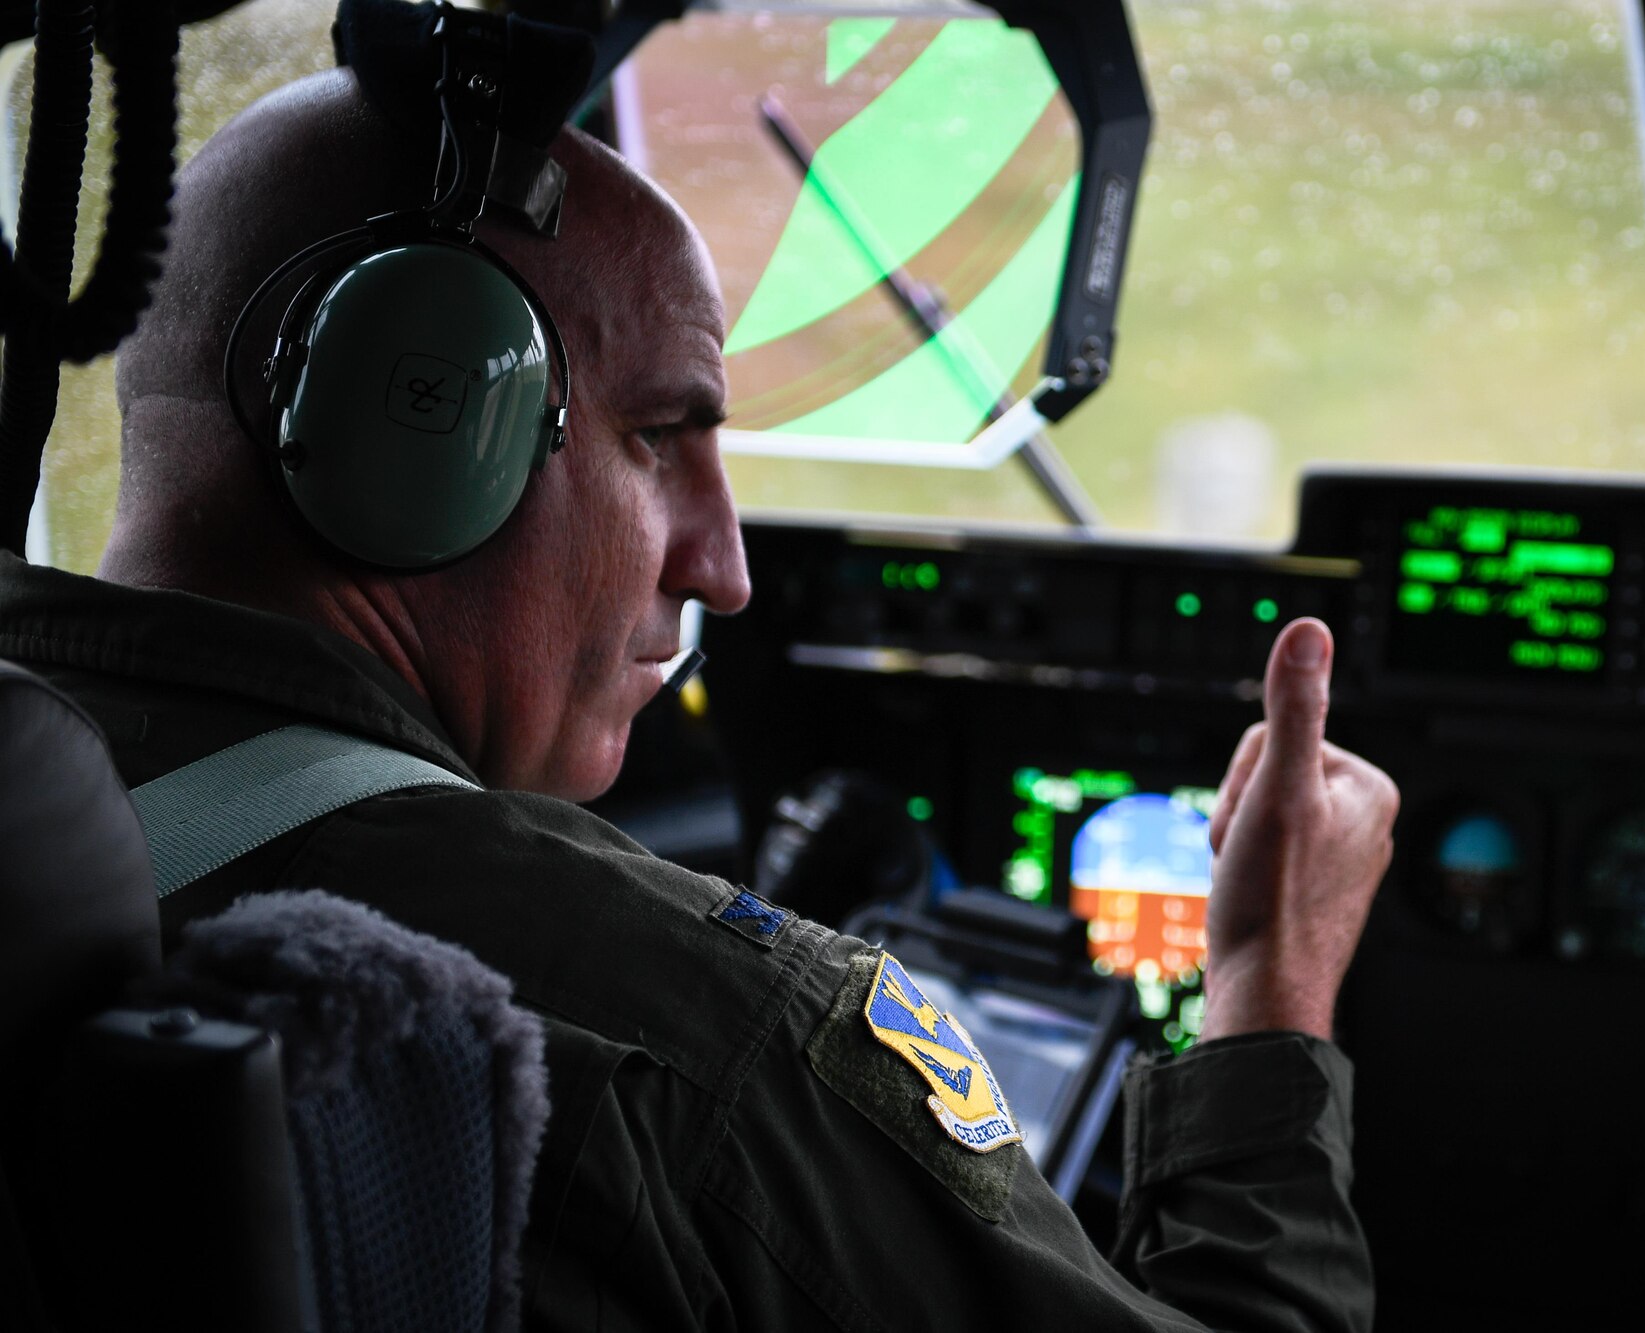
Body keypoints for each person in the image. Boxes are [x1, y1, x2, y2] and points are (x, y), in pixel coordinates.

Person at [0, 67, 1400, 1330]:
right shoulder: (700, 1040)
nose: (726, 570)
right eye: (661, 435)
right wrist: (1271, 980)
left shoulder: (32, 816)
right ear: (416, 418)